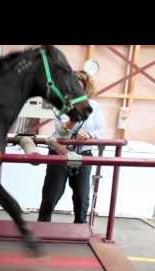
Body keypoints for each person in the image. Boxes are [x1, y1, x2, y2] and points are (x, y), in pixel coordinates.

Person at [38, 70, 104, 224]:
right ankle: (42, 225)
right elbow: (61, 131)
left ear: (86, 88)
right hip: (59, 153)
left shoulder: (94, 106)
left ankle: (80, 227)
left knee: (82, 196)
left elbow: (100, 131)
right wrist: (74, 122)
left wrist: (88, 134)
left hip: (83, 154)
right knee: (51, 194)